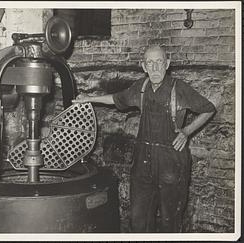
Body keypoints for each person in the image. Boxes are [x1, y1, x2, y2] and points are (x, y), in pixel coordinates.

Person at [72, 45, 216, 233]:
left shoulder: (179, 88)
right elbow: (116, 98)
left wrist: (186, 131)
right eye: (150, 63)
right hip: (143, 163)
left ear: (167, 64)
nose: (155, 68)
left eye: (159, 62)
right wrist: (88, 99)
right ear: (143, 66)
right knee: (138, 220)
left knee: (169, 221)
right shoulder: (141, 88)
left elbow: (208, 108)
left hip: (171, 162)